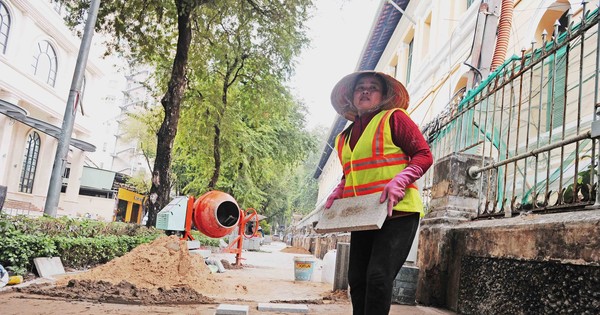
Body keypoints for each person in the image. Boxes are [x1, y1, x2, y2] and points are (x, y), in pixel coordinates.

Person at [325, 71, 433, 315]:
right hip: (364, 216)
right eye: (360, 88)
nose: (365, 91)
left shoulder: (394, 119)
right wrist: (339, 190)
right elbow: (350, 173)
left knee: (378, 277)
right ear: (351, 97)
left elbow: (424, 155)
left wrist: (401, 179)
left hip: (399, 212)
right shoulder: (344, 137)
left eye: (372, 87)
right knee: (357, 279)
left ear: (383, 96)